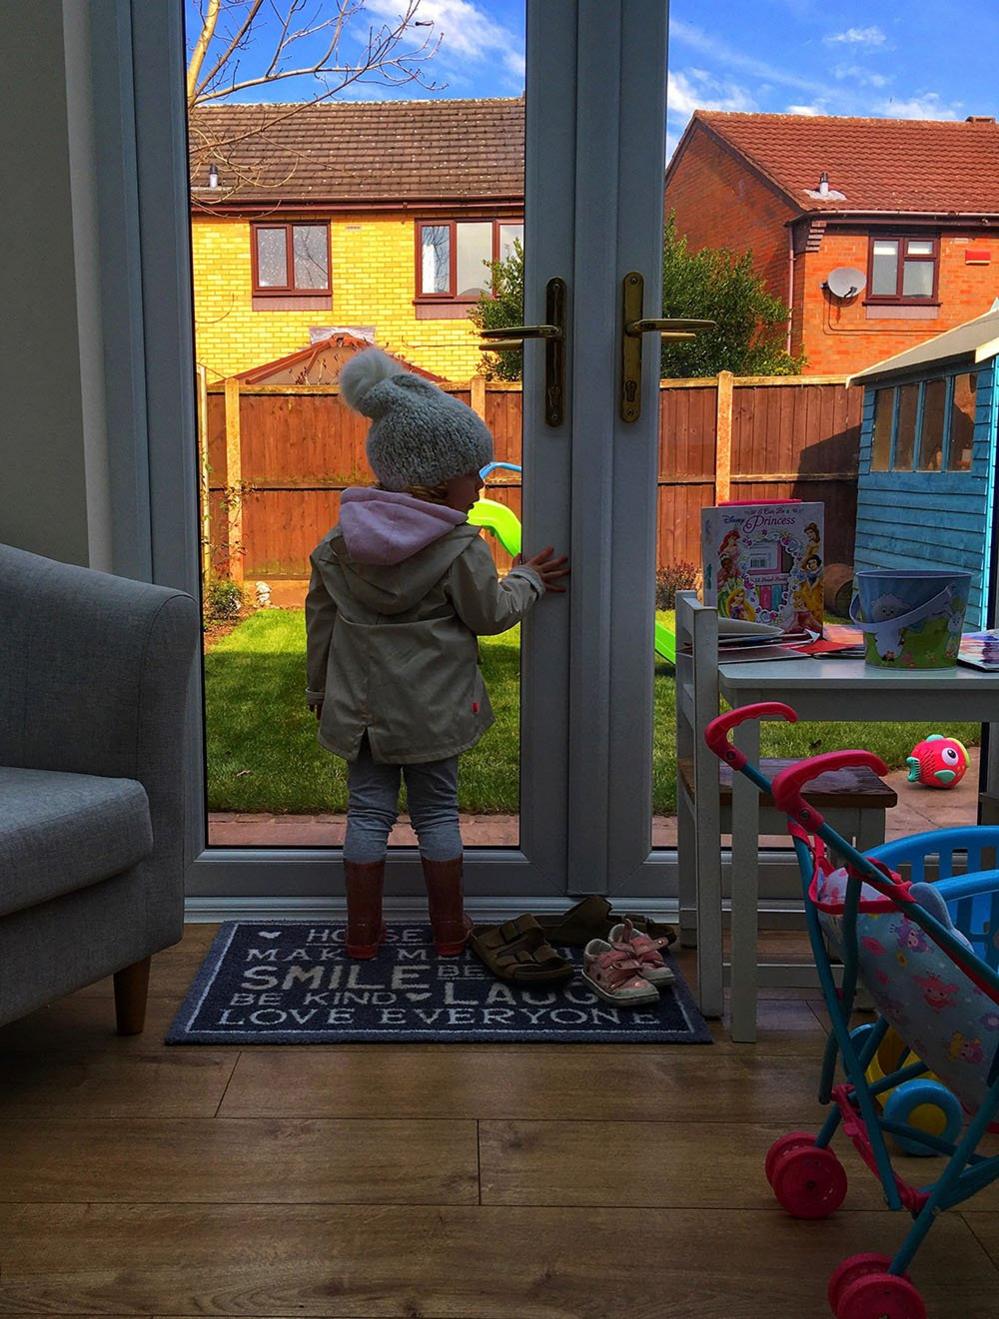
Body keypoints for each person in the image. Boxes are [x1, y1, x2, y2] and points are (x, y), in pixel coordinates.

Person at [305, 348, 569, 959]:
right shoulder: (460, 548)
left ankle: (363, 934)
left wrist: (320, 691)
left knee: (367, 813)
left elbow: (320, 626)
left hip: (364, 715)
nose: (479, 485)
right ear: (435, 478)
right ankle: (450, 931)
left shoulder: (336, 545)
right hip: (433, 713)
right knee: (437, 813)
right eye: (473, 474)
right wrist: (527, 578)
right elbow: (491, 615)